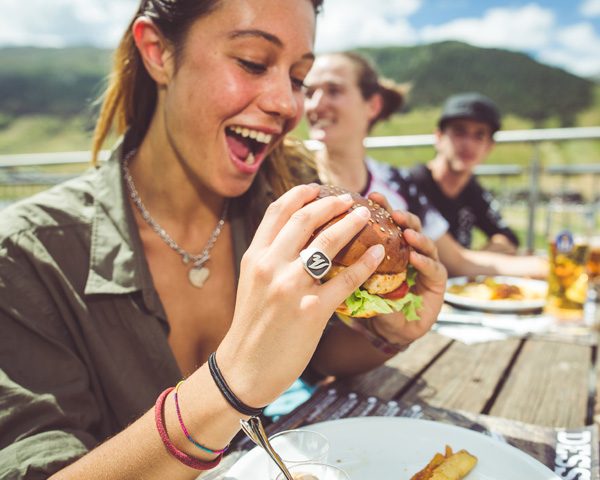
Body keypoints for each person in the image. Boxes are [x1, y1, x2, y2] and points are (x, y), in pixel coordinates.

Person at [0, 2, 447, 479]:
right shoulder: (29, 257)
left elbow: (312, 354)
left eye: (299, 79)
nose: (287, 105)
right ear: (157, 52)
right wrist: (227, 387)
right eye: (253, 62)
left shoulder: (285, 198)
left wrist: (386, 335)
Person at [303, 51, 548, 279]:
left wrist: (547, 267)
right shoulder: (287, 175)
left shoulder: (398, 183)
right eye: (308, 92)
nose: (315, 105)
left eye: (334, 91)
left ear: (373, 106)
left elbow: (457, 260)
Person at [409, 92, 520, 254]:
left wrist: (471, 263)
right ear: (439, 137)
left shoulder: (473, 190)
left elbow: (507, 238)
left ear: (489, 147)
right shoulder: (410, 184)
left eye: (479, 135)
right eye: (459, 131)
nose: (469, 144)